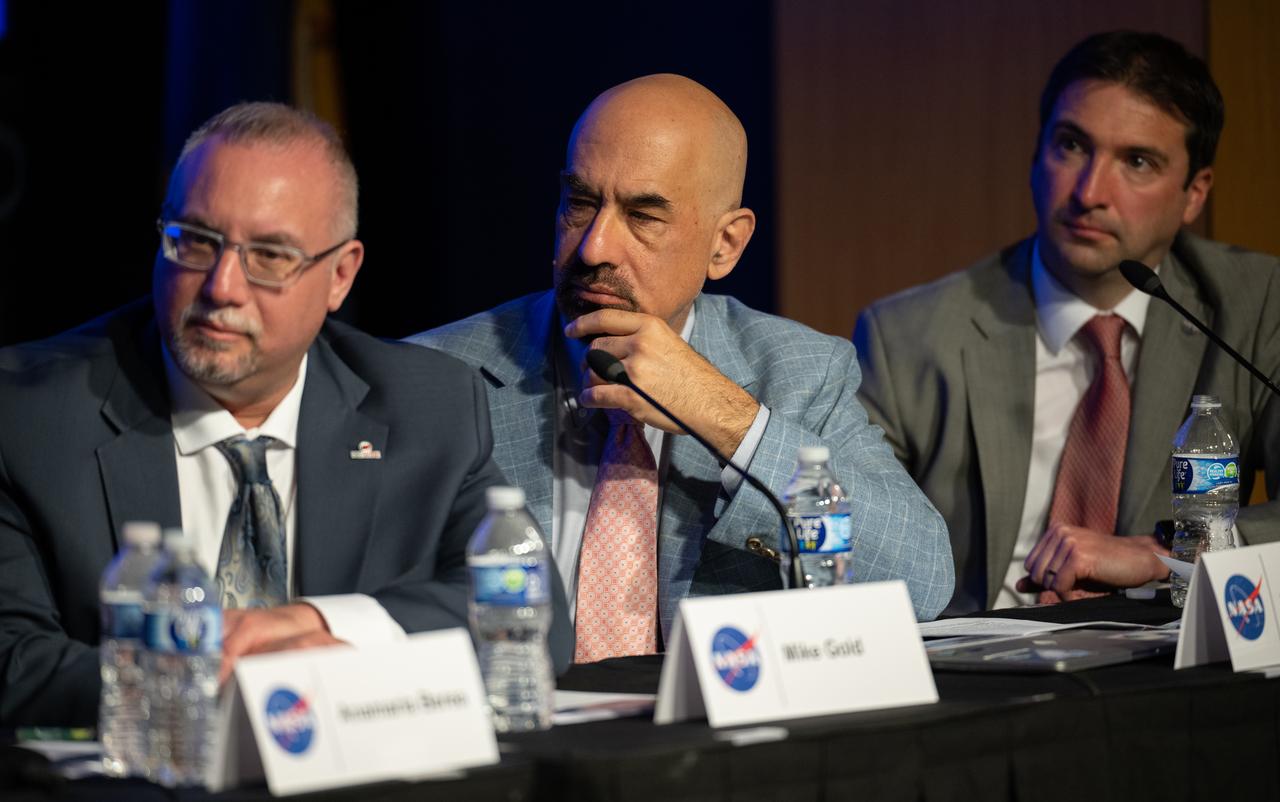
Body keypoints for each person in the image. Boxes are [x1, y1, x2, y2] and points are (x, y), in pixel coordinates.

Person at [0, 102, 570, 726]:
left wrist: (319, 628)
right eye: (194, 240)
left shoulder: (425, 407)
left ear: (340, 276)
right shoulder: (28, 414)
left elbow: (533, 613)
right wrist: (225, 678)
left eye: (269, 255)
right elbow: (13, 660)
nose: (221, 287)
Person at [410, 74, 953, 662]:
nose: (594, 249)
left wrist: (725, 418)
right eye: (581, 203)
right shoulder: (433, 376)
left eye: (643, 216)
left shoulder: (801, 372)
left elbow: (920, 581)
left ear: (726, 245)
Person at [853, 31, 1280, 613]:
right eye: (1072, 145)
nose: (1089, 192)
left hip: (1172, 661)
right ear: (1036, 155)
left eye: (1137, 161)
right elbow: (856, 543)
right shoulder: (908, 334)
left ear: (1193, 194)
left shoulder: (1256, 307)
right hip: (980, 669)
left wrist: (1166, 554)